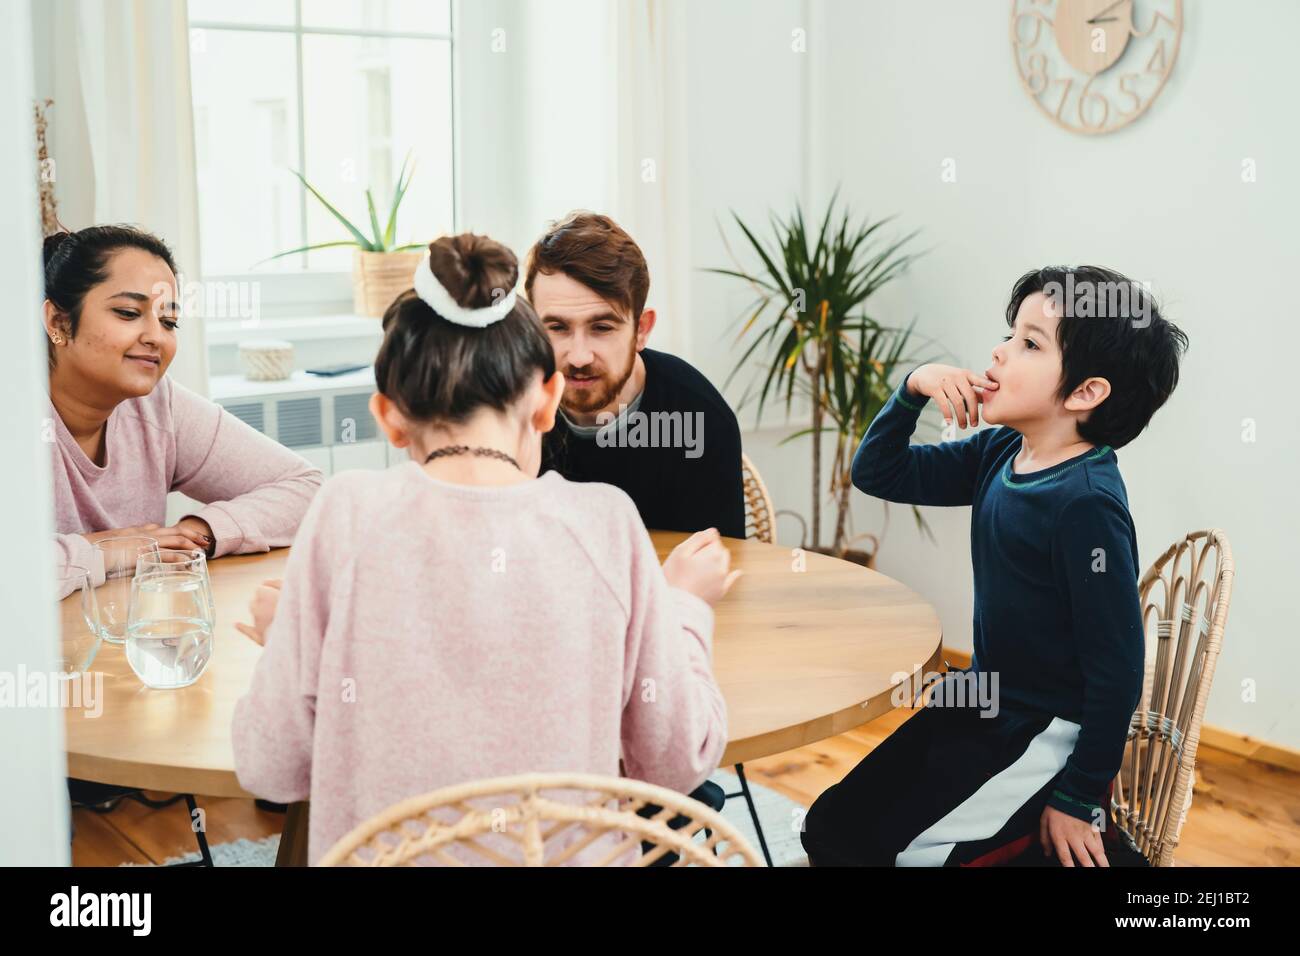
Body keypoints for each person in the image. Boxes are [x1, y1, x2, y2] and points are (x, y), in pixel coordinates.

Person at [231, 233, 739, 865]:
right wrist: (684, 607)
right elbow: (676, 762)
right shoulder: (608, 522)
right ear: (548, 400)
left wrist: (291, 645)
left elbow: (270, 768)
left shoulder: (345, 514)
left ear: (388, 417)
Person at [801, 265, 1188, 867]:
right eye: (1010, 334)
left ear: (1085, 392)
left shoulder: (1085, 504)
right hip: (981, 700)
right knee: (831, 827)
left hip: (1044, 729)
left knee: (905, 856)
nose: (999, 353)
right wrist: (911, 390)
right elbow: (880, 473)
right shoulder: (1003, 450)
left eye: (1029, 343)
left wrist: (1080, 794)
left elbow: (1117, 668)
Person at [44, 225, 322, 597]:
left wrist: (197, 534)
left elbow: (307, 490)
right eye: (128, 312)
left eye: (168, 321)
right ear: (59, 323)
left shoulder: (159, 405)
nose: (156, 337)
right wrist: (109, 550)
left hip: (125, 642)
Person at [526, 212, 746, 539]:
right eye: (557, 328)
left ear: (641, 330)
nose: (580, 356)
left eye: (602, 327)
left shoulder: (700, 419)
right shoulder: (507, 409)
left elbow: (716, 568)